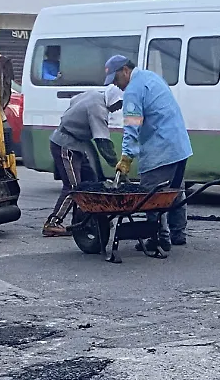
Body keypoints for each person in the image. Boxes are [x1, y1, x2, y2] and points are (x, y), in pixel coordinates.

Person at [106, 54, 193, 251]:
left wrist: (126, 157)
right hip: (179, 145)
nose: (116, 85)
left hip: (160, 149)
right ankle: (178, 233)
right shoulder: (151, 77)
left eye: (116, 79)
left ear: (125, 71)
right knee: (174, 191)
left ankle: (158, 237)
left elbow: (132, 126)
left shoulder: (133, 91)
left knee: (150, 195)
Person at [43, 84, 121, 236]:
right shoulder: (98, 109)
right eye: (119, 104)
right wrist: (116, 164)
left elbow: (74, 102)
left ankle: (85, 218)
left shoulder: (94, 94)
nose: (119, 108)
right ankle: (53, 223)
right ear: (113, 100)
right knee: (74, 187)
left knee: (91, 181)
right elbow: (102, 142)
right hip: (65, 144)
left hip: (78, 144)